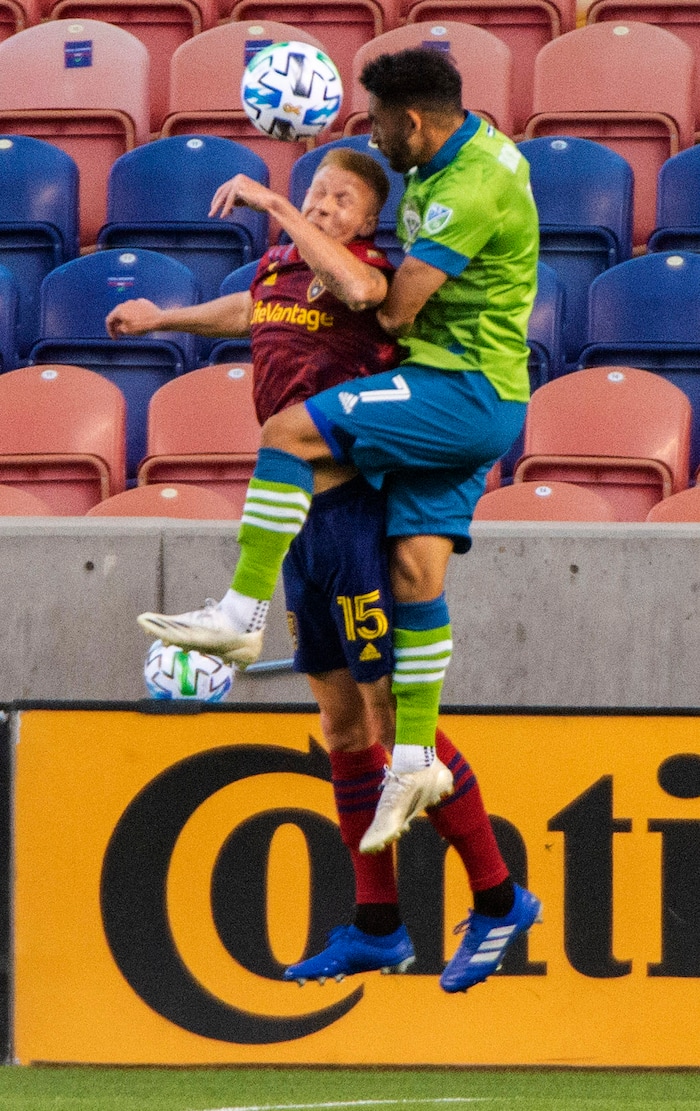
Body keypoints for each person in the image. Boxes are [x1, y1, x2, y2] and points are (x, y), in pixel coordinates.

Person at [108, 148, 541, 993]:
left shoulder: (366, 269)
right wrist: (168, 317)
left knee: (388, 718)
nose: (324, 206)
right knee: (343, 727)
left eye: (341, 198)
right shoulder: (282, 264)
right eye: (317, 193)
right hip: (301, 532)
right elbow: (253, 307)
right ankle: (377, 923)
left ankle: (498, 890)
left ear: (370, 220)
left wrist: (282, 206)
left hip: (351, 521)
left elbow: (357, 295)